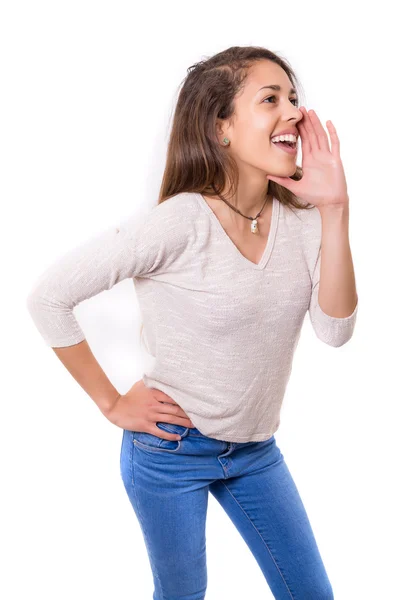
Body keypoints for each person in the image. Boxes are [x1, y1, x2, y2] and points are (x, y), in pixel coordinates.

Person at [26, 45, 358, 599]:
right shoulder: (179, 223)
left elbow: (336, 331)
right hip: (169, 449)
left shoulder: (303, 223)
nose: (295, 113)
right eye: (270, 99)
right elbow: (49, 298)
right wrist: (112, 403)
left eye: (294, 98)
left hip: (255, 452)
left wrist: (336, 208)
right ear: (221, 128)